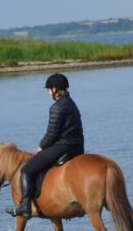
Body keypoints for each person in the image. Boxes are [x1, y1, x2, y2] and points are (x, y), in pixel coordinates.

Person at [8, 73, 84, 217]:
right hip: (78, 147)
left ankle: (24, 206)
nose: (48, 92)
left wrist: (41, 147)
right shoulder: (72, 103)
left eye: (49, 89)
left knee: (27, 170)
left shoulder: (56, 107)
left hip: (63, 146)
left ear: (55, 89)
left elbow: (52, 134)